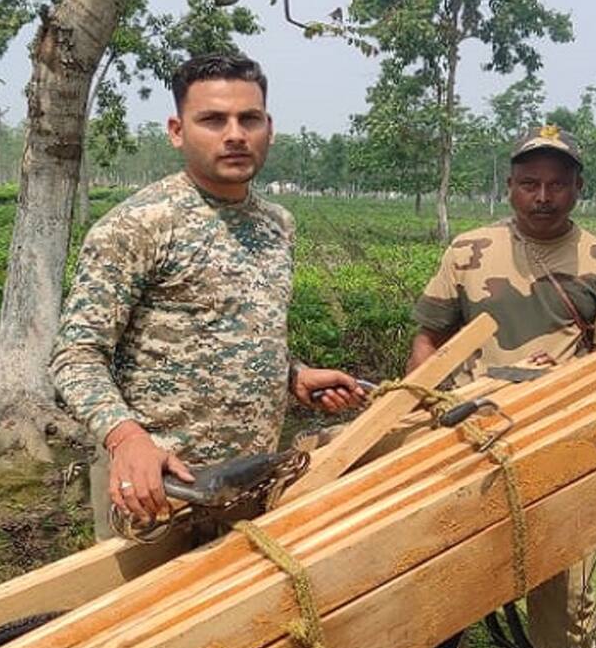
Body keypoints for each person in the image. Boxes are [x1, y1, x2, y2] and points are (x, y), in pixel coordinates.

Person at [52, 53, 367, 540]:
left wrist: (295, 374)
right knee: (149, 614)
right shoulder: (139, 225)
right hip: (161, 486)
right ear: (177, 131)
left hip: (254, 479)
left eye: (250, 119)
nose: (236, 134)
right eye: (214, 120)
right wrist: (126, 439)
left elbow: (235, 329)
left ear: (269, 127)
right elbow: (75, 356)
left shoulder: (277, 225)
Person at [403, 123, 596, 648]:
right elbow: (430, 337)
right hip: (472, 426)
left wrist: (558, 387)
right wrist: (426, 401)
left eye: (557, 184)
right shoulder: (469, 250)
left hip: (557, 430)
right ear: (509, 187)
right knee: (438, 549)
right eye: (530, 183)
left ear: (577, 190)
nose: (543, 196)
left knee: (560, 565)